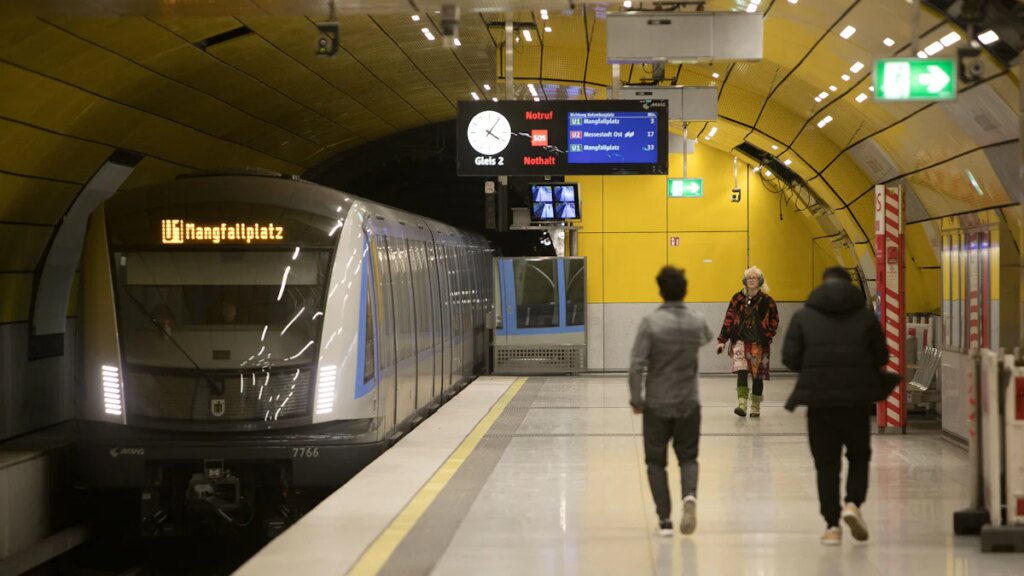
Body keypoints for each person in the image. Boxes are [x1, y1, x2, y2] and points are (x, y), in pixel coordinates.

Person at [781, 267, 888, 545]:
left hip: (819, 403)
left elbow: (790, 358)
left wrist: (815, 367)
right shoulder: (865, 316)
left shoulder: (803, 316)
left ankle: (832, 526)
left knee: (826, 464)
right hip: (855, 402)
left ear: (823, 285)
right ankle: (853, 503)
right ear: (851, 286)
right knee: (858, 455)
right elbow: (881, 355)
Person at [628, 266, 714, 536]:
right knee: (688, 457)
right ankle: (689, 498)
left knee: (656, 462)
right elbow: (708, 337)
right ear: (685, 290)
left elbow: (636, 366)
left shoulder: (651, 323)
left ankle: (665, 521)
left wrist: (636, 399)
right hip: (689, 401)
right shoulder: (696, 321)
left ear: (661, 290)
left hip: (657, 403)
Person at [716, 266, 779, 418]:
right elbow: (729, 319)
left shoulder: (767, 301)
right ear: (744, 280)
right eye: (749, 277)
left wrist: (768, 335)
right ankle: (742, 404)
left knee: (757, 376)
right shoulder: (737, 299)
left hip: (759, 343)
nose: (751, 280)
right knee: (742, 372)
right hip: (740, 341)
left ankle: (755, 406)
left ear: (760, 281)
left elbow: (774, 320)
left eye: (755, 277)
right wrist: (722, 340)